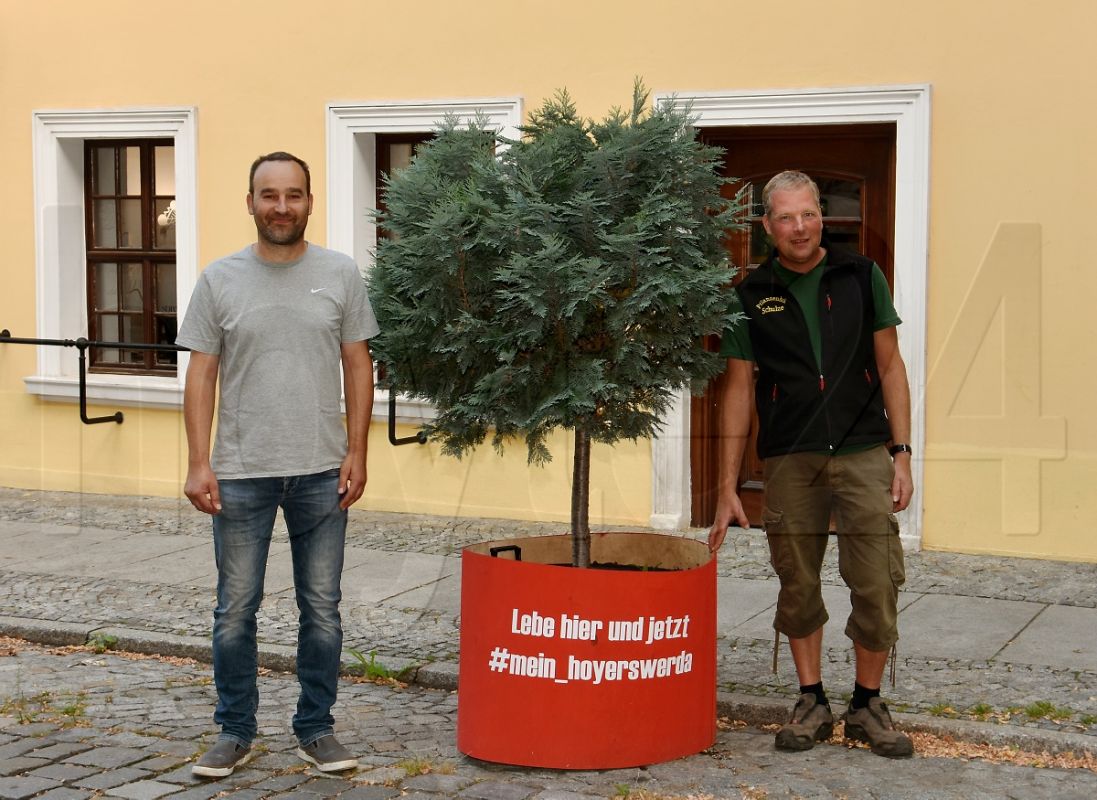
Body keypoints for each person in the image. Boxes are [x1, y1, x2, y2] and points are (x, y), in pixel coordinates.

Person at [178, 151, 379, 777]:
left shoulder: (341, 274)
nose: (281, 206)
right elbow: (201, 372)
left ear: (310, 203)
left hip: (322, 472)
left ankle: (315, 729)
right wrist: (197, 461)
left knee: (321, 608)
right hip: (239, 471)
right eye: (270, 195)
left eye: (294, 195)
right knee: (236, 608)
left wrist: (357, 450)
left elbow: (358, 364)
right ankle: (235, 730)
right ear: (250, 203)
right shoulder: (219, 279)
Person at [707, 170, 915, 758]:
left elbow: (892, 367)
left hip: (863, 452)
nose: (800, 227)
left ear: (821, 215)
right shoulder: (750, 294)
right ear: (768, 226)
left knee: (876, 582)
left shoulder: (860, 275)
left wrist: (901, 454)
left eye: (809, 214)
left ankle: (868, 704)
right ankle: (811, 699)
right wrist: (727, 486)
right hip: (791, 459)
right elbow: (739, 389)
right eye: (786, 218)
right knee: (797, 582)